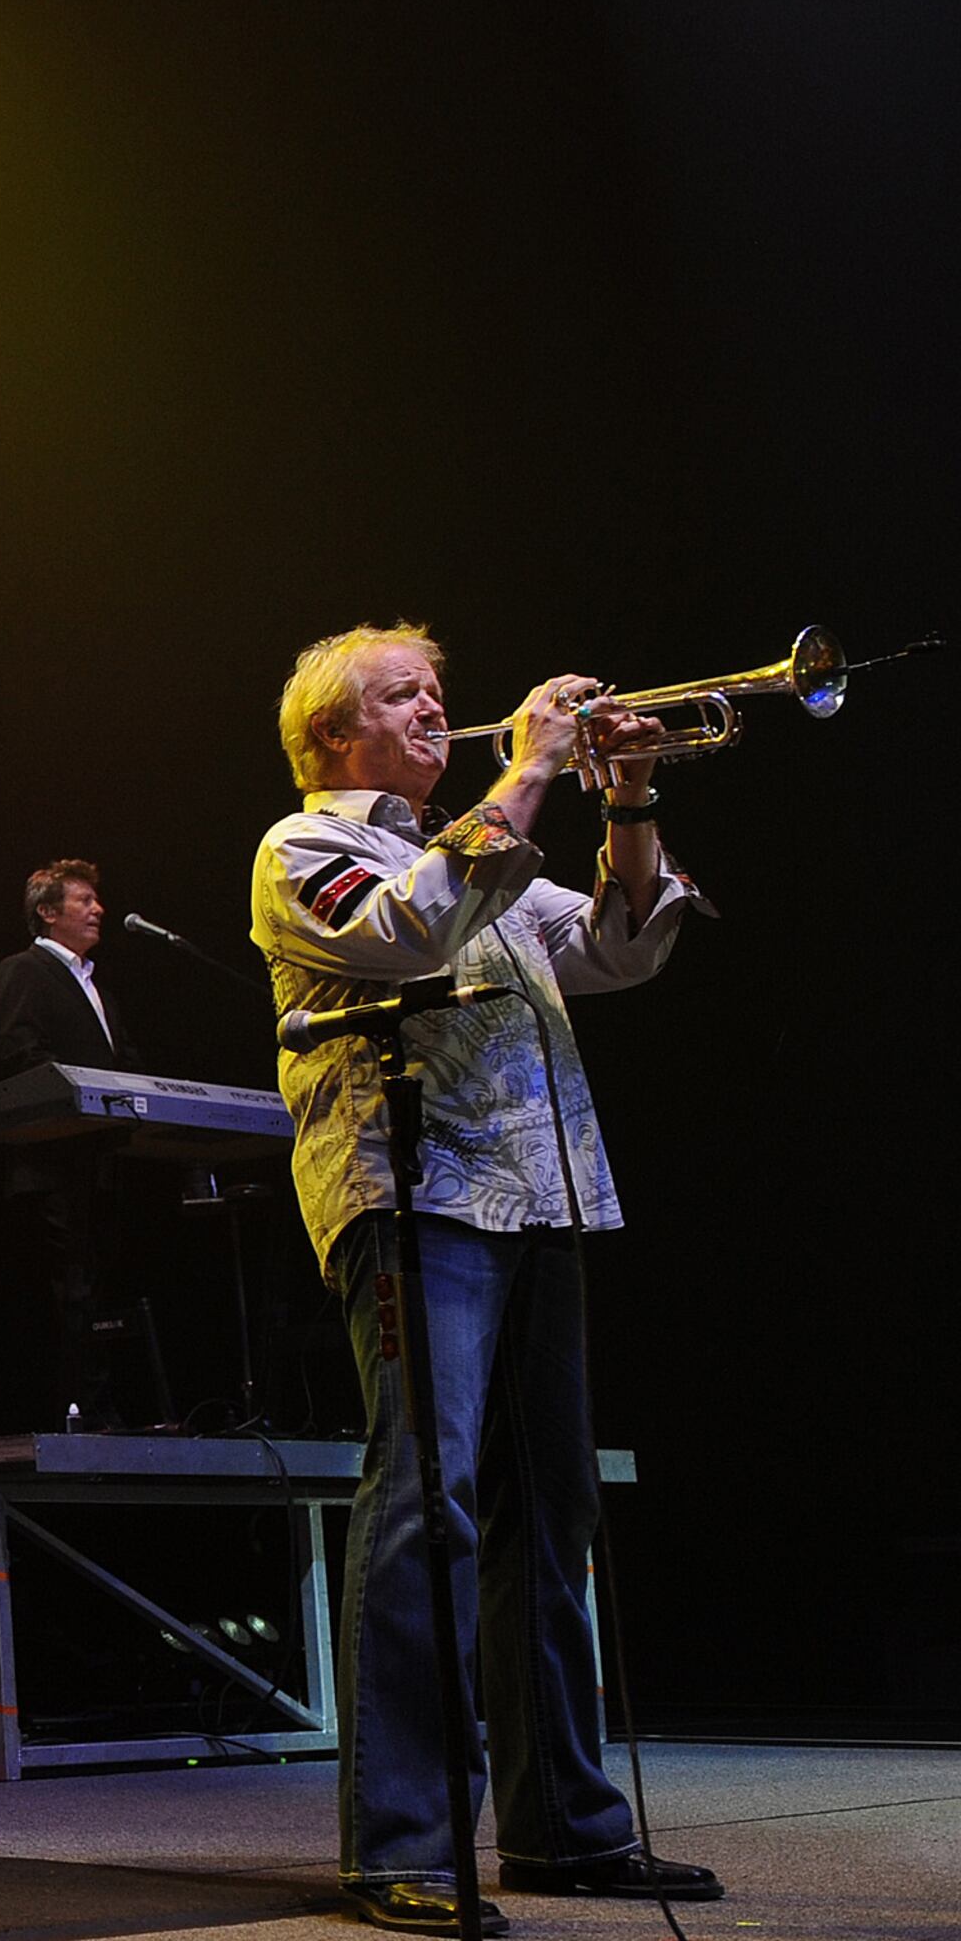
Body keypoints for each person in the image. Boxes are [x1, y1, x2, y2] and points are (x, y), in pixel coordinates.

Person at [251, 623, 722, 1936]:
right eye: (402, 695)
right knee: (429, 1504)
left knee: (549, 1520)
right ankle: (402, 1841)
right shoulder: (307, 849)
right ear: (333, 736)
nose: (434, 709)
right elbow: (408, 936)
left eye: (437, 693)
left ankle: (565, 1828)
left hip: (541, 1196)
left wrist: (625, 798)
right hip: (414, 1196)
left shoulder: (482, 845)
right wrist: (525, 772)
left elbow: (623, 946)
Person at [0, 859, 155, 1424]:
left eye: (95, 900)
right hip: (54, 1165)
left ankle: (105, 1408)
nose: (98, 909)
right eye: (83, 900)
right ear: (47, 912)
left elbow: (124, 1060)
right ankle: (67, 1412)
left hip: (101, 1162)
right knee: (66, 1296)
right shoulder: (22, 970)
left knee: (102, 1294)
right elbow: (24, 1057)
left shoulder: (95, 984)